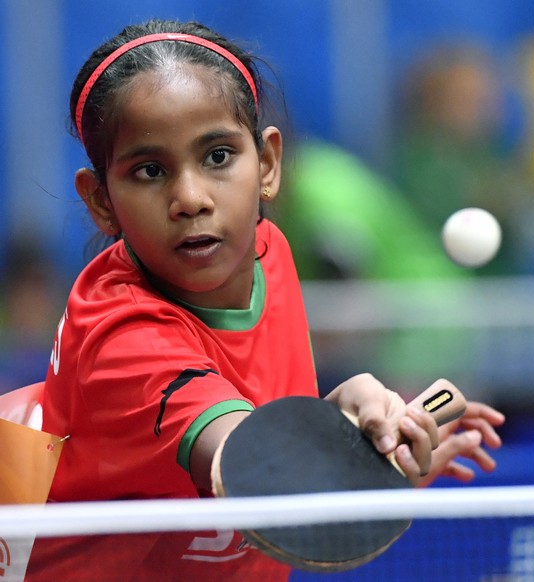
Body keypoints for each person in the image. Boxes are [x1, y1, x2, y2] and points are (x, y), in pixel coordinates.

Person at [27, 19, 504, 581]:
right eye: (150, 171)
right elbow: (254, 471)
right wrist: (353, 446)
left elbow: (272, 458)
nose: (191, 197)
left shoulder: (267, 254)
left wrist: (355, 444)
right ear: (101, 200)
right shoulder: (125, 338)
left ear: (269, 164)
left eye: (219, 156)